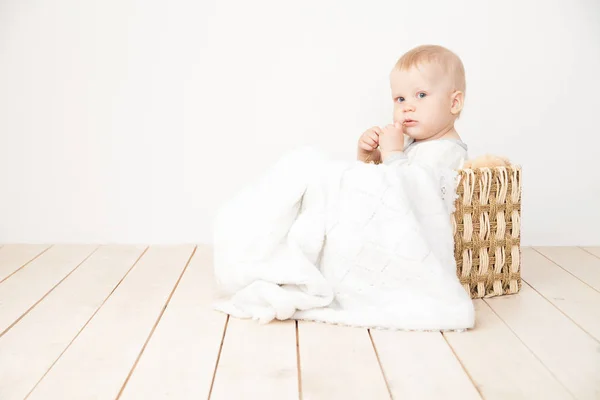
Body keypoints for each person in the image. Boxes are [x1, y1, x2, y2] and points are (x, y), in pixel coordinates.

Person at [357, 44, 468, 170]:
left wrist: (392, 152)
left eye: (421, 95)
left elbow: (410, 186)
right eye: (401, 99)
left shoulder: (448, 153)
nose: (407, 107)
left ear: (454, 103)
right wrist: (371, 157)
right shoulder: (408, 143)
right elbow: (383, 182)